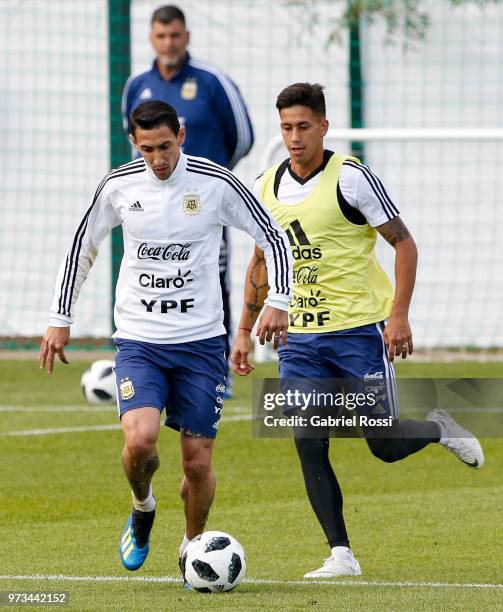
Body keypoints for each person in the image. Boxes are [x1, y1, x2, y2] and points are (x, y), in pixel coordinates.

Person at [231, 83, 484, 579]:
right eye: (286, 128)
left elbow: (404, 244)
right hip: (299, 338)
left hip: (358, 333)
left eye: (304, 126)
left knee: (383, 444)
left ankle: (438, 428)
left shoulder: (351, 179)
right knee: (307, 436)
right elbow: (260, 259)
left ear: (324, 126)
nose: (295, 137)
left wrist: (400, 315)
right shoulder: (264, 186)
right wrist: (243, 328)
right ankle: (340, 554)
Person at [39, 101, 292, 581]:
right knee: (140, 442)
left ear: (182, 133)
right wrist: (59, 317)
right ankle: (142, 506)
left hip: (200, 344)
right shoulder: (118, 186)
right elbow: (82, 245)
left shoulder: (216, 183)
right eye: (147, 148)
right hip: (140, 340)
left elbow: (275, 238)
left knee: (196, 465)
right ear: (134, 142)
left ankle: (192, 548)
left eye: (167, 146)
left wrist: (278, 301)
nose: (158, 158)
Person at [122, 4, 255, 397]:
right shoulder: (136, 84)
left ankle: (221, 367)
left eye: (175, 35)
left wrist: (204, 182)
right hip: (154, 204)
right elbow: (134, 139)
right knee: (155, 275)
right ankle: (150, 361)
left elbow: (243, 136)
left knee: (211, 278)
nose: (169, 43)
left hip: (202, 205)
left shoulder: (214, 81)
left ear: (187, 36)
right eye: (161, 36)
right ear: (151, 38)